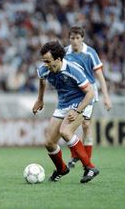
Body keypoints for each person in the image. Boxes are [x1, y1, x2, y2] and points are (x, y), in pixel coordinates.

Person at [32, 41, 99, 183]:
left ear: (58, 59)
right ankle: (62, 169)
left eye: (48, 61)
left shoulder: (73, 69)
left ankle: (90, 167)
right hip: (63, 104)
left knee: (65, 131)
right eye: (43, 61)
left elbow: (90, 93)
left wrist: (77, 110)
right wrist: (40, 99)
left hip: (81, 102)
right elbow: (42, 81)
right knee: (49, 142)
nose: (45, 64)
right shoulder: (44, 69)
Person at [64, 26, 112, 170]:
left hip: (88, 92)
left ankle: (87, 164)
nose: (75, 41)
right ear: (69, 39)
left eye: (78, 38)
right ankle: (76, 154)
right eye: (72, 38)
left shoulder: (90, 53)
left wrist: (106, 97)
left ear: (82, 38)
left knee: (85, 124)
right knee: (68, 127)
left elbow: (100, 77)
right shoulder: (65, 52)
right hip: (71, 93)